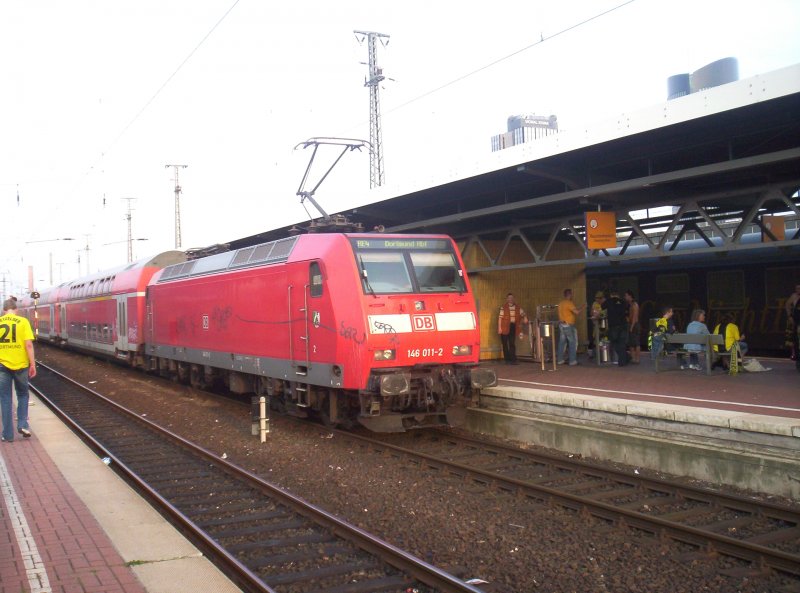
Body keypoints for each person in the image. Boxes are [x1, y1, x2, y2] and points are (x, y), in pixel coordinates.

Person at [0, 297, 37, 442]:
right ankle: (22, 424)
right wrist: (32, 364)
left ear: (4, 310)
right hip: (21, 366)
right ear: (16, 309)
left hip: (2, 366)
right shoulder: (23, 322)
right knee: (22, 395)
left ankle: (7, 435)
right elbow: (28, 345)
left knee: (5, 399)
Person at [498, 293, 528, 365]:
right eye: (509, 298)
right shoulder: (503, 307)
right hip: (504, 326)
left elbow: (523, 313)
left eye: (512, 298)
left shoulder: (517, 307)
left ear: (513, 299)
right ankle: (507, 360)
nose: (510, 299)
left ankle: (513, 359)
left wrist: (525, 317)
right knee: (505, 343)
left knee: (512, 343)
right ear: (507, 299)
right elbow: (500, 318)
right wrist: (499, 328)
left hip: (512, 326)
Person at [557, 288, 584, 366]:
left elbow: (572, 309)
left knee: (562, 343)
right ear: (569, 294)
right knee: (572, 342)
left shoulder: (561, 303)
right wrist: (583, 307)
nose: (572, 295)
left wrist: (578, 307)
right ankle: (572, 361)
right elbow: (577, 312)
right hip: (568, 325)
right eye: (571, 294)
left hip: (561, 325)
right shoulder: (569, 303)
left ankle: (560, 360)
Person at [602, 289, 628, 366]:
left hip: (613, 325)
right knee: (622, 343)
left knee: (614, 342)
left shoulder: (608, 301)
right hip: (623, 325)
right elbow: (627, 310)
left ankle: (626, 357)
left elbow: (602, 307)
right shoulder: (623, 301)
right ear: (618, 295)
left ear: (611, 295)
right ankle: (623, 361)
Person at [587, 291, 606, 359]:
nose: (596, 300)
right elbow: (592, 312)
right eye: (595, 299)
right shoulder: (595, 303)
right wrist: (593, 314)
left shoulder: (605, 303)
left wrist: (599, 314)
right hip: (596, 324)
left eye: (597, 299)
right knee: (594, 338)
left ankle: (603, 353)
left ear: (601, 298)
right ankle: (591, 353)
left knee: (604, 338)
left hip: (604, 324)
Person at [624, 290, 641, 364]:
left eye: (626, 295)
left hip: (634, 325)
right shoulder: (629, 305)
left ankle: (637, 359)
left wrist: (631, 327)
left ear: (630, 296)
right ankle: (633, 358)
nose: (625, 297)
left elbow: (634, 317)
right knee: (631, 343)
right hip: (630, 324)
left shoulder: (635, 305)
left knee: (636, 343)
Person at [786, 284, 800, 361]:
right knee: (795, 338)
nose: (798, 290)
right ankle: (795, 354)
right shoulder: (794, 296)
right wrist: (789, 316)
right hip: (796, 319)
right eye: (797, 288)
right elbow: (787, 304)